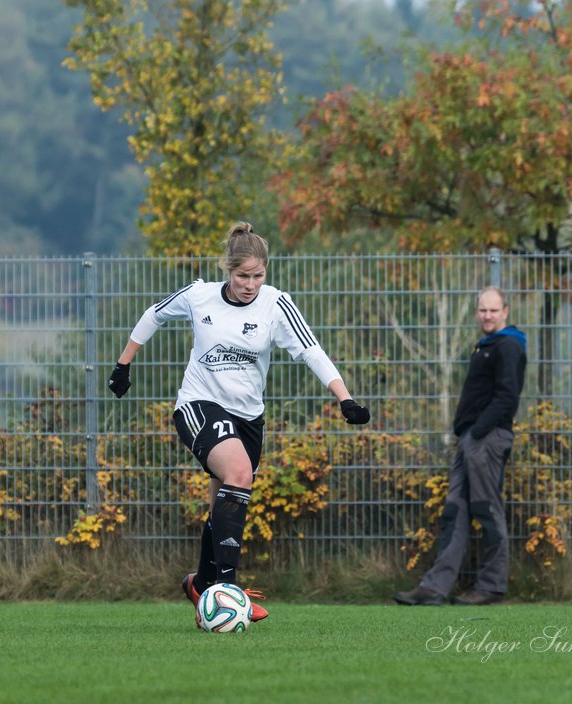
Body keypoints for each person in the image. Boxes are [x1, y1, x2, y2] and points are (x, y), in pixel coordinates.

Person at [108, 221, 371, 624]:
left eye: (258, 276)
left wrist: (345, 397)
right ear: (227, 271)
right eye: (242, 276)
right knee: (239, 472)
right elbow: (153, 315)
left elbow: (312, 351)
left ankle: (203, 583)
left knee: (224, 501)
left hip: (249, 419)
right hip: (199, 405)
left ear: (266, 272)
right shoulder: (199, 296)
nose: (250, 284)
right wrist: (123, 364)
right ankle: (228, 589)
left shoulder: (276, 304)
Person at [394, 286, 526, 606]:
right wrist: (465, 432)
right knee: (456, 509)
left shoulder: (508, 345)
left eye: (493, 310)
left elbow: (507, 397)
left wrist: (479, 430)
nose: (487, 315)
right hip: (470, 439)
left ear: (505, 312)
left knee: (486, 508)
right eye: (482, 310)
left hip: (487, 438)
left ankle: (492, 586)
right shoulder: (485, 346)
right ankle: (435, 587)